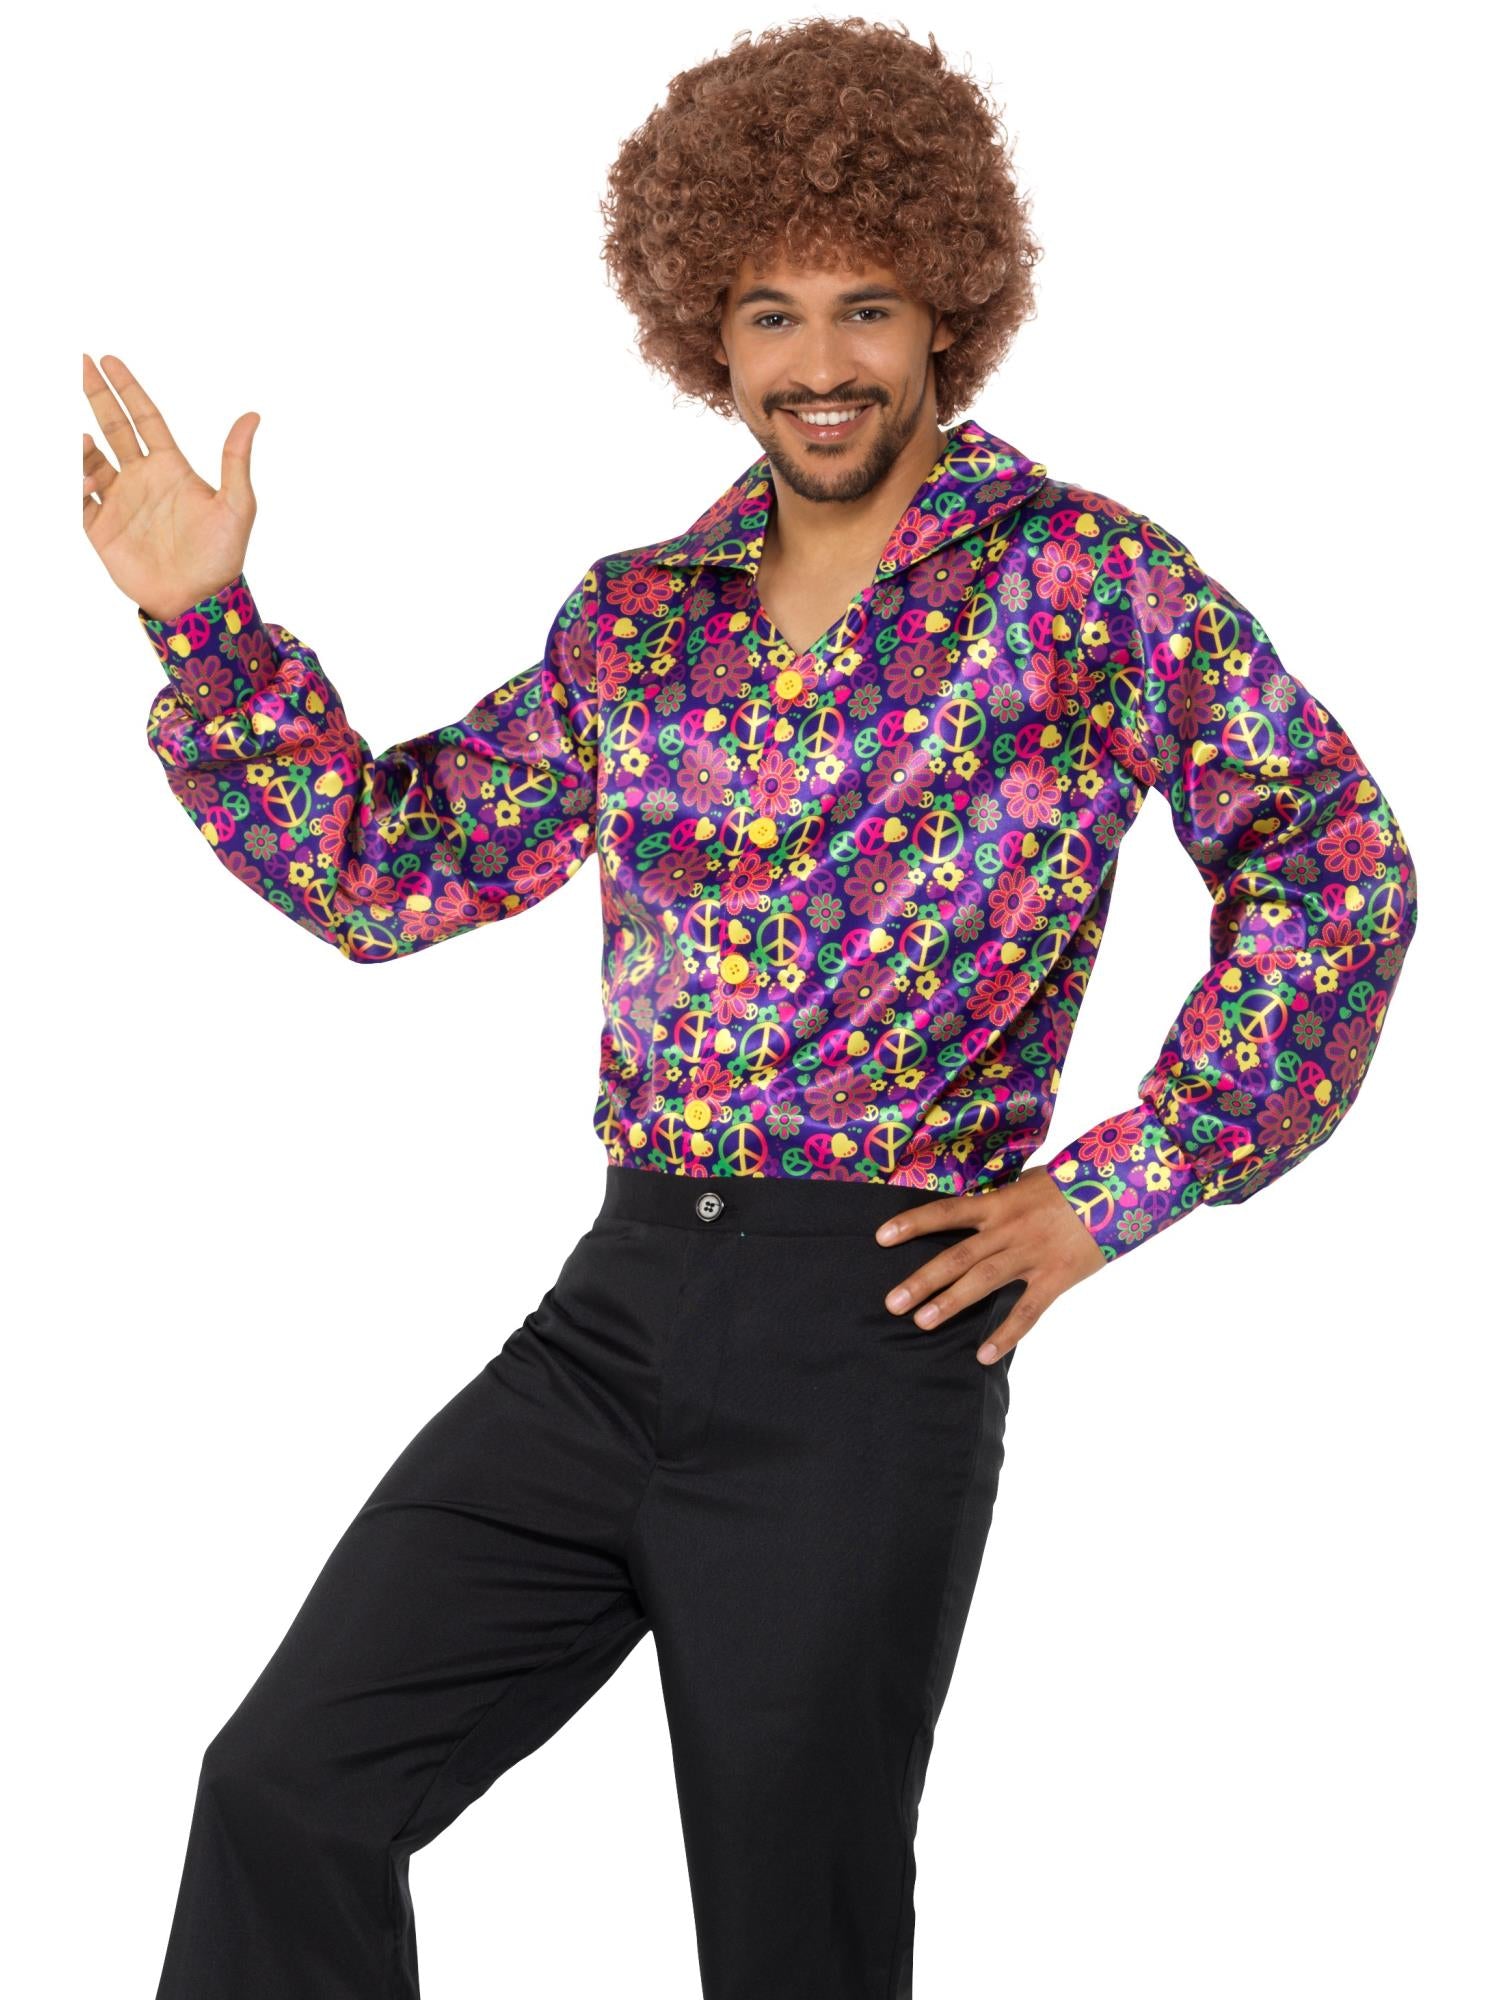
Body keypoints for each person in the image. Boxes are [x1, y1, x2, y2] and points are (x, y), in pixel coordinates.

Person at [80, 18, 1418, 1999]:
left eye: (866, 305)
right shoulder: (639, 617)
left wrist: (1115, 1190)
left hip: (873, 1335)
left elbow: (1334, 865)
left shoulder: (1085, 583)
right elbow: (384, 870)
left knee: (793, 1932)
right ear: (706, 331)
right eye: (770, 313)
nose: (819, 361)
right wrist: (203, 625)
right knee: (287, 1784)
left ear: (950, 310)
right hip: (614, 1314)